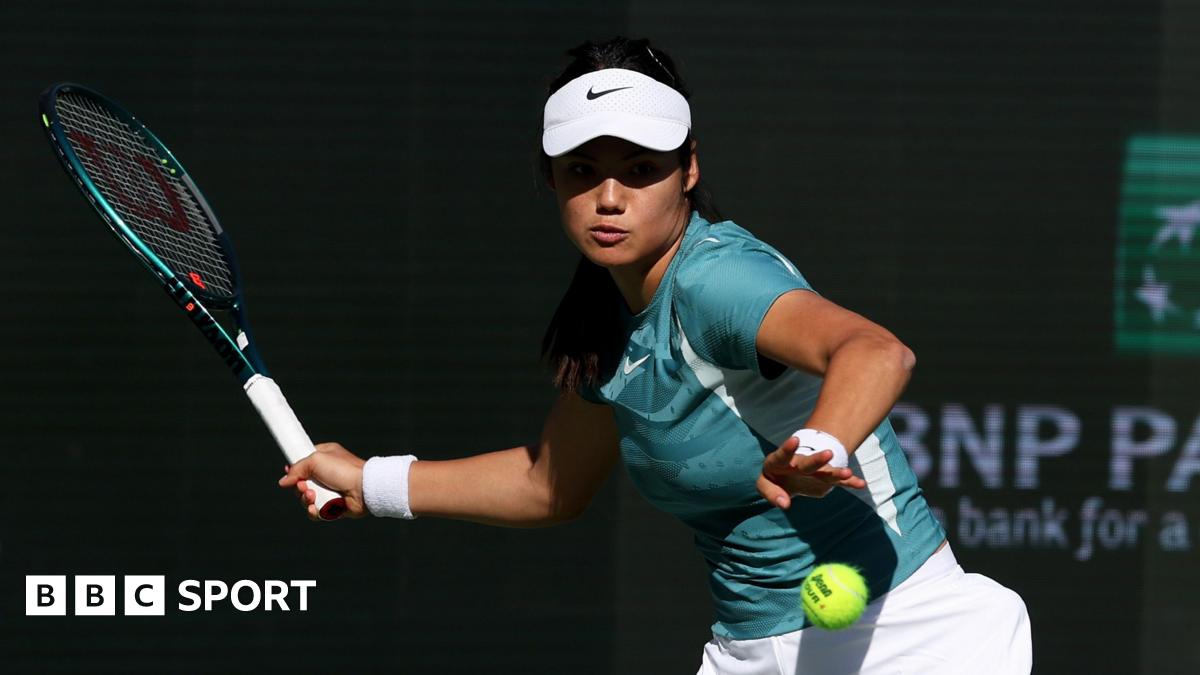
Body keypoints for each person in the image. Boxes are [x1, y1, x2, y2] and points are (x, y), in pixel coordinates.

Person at [279, 36, 1033, 675]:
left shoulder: (715, 278)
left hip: (906, 639)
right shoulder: (607, 322)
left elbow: (874, 350)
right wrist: (371, 480)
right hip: (752, 651)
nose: (610, 196)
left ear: (689, 168)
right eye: (583, 170)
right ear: (551, 179)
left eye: (640, 168)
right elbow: (550, 484)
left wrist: (819, 443)